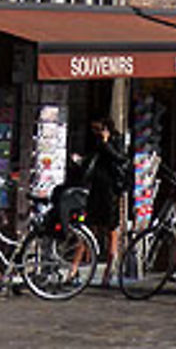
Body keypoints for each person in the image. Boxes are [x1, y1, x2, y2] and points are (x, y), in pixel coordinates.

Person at [80, 117, 128, 286]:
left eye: (99, 130)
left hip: (110, 191)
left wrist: (107, 144)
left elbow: (120, 159)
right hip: (96, 189)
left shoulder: (116, 141)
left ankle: (109, 269)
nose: (97, 134)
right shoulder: (96, 143)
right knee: (87, 227)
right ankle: (75, 268)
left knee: (111, 230)